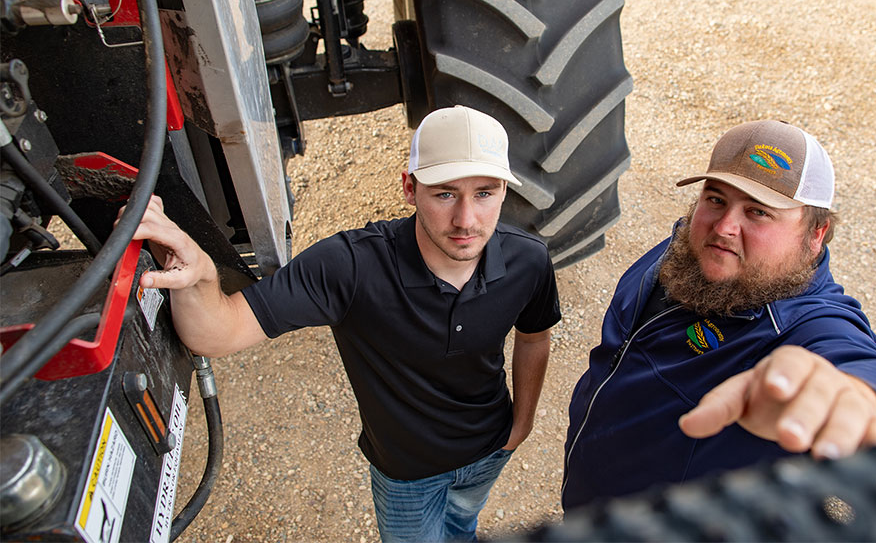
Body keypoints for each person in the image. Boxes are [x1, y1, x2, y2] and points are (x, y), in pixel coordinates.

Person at [131, 106, 561, 541]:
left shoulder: (529, 260)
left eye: (485, 194)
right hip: (408, 476)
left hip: (490, 449)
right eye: (445, 194)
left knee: (462, 523)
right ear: (410, 188)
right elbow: (217, 333)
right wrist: (201, 276)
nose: (466, 220)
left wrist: (520, 424)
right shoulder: (348, 267)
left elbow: (533, 338)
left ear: (505, 189)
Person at [560, 120, 876, 509]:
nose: (723, 228)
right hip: (590, 500)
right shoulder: (687, 250)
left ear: (816, 233)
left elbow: (865, 367)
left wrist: (868, 399)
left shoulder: (799, 327)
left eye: (758, 212)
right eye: (716, 199)